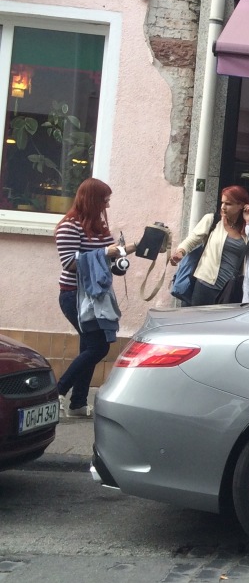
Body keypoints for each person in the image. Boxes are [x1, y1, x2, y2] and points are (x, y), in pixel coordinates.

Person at [53, 178, 134, 418]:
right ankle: (57, 391)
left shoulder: (98, 227)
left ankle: (78, 403)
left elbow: (107, 261)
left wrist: (131, 251)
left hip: (94, 297)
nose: (107, 206)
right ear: (92, 200)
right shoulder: (68, 226)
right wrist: (104, 253)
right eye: (104, 200)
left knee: (89, 346)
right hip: (74, 296)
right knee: (98, 346)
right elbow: (69, 263)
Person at [169, 186, 249, 305]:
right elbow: (192, 239)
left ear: (241, 206)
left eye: (228, 204)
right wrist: (180, 252)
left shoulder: (248, 230)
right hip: (205, 284)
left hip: (230, 290)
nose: (223, 207)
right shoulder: (212, 220)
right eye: (222, 202)